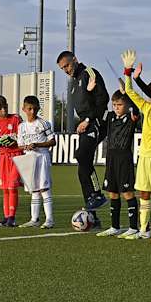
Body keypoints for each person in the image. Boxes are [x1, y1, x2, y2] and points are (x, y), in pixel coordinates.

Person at [120, 50, 151, 239]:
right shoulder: (146, 106)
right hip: (144, 155)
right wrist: (127, 71)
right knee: (144, 193)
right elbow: (130, 92)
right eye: (148, 94)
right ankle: (143, 229)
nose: (149, 97)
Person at [56, 50, 109, 211]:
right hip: (86, 124)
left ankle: (98, 194)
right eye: (62, 68)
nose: (66, 70)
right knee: (82, 168)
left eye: (67, 65)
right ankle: (91, 211)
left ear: (75, 60)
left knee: (81, 154)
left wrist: (87, 120)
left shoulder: (89, 73)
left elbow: (103, 99)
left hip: (97, 121)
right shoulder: (75, 81)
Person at [96, 91, 141, 238]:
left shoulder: (131, 117)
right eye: (114, 105)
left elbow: (136, 107)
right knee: (113, 192)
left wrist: (127, 91)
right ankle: (114, 226)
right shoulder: (110, 117)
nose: (116, 107)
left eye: (120, 104)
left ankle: (133, 227)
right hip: (111, 158)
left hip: (124, 158)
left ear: (127, 105)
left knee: (127, 193)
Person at [17, 95, 57, 228]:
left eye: (34, 109)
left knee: (44, 188)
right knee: (34, 190)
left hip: (42, 157)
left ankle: (49, 220)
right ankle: (34, 219)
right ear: (24, 109)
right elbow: (19, 145)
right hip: (29, 158)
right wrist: (26, 147)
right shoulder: (21, 126)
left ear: (38, 108)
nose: (32, 112)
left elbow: (53, 141)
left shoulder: (43, 123)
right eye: (29, 109)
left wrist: (37, 145)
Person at [0, 95, 23, 227]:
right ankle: (6, 216)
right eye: (0, 108)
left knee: (12, 186)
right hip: (3, 157)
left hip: (16, 155)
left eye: (5, 107)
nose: (4, 110)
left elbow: (22, 135)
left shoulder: (16, 118)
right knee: (5, 188)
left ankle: (12, 218)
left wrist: (14, 139)